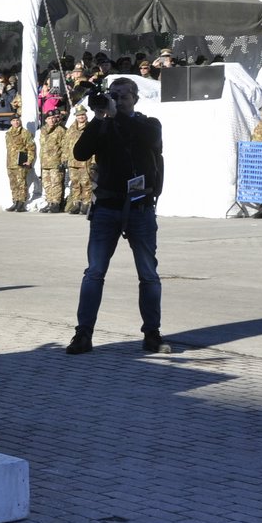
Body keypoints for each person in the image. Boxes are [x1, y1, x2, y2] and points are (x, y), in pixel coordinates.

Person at [66, 77, 169, 356]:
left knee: (148, 275)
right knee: (94, 273)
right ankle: (83, 334)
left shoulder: (149, 124)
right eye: (114, 95)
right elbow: (80, 152)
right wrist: (100, 119)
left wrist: (116, 116)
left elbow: (147, 139)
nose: (119, 100)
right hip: (107, 209)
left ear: (135, 98)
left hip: (140, 209)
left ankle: (152, 334)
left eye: (124, 96)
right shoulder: (104, 125)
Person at [3, 107, 35, 212]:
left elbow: (31, 148)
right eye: (14, 121)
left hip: (20, 162)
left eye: (17, 120)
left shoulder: (25, 133)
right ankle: (15, 201)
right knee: (13, 184)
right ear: (11, 122)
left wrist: (29, 160)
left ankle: (21, 202)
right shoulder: (8, 134)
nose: (16, 122)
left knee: (21, 183)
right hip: (10, 163)